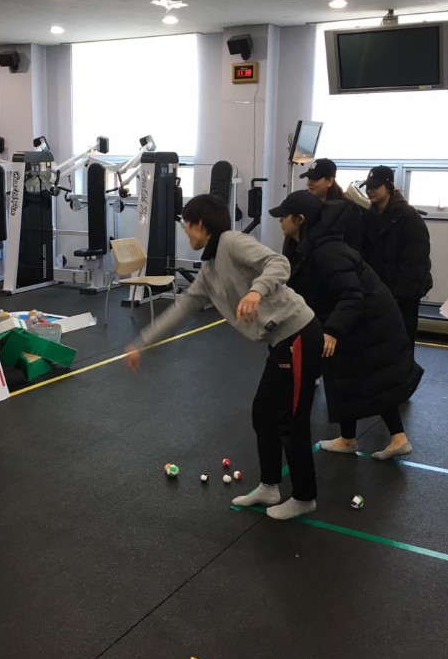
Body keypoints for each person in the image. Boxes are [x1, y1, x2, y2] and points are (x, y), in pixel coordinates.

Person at [124, 194, 324, 520]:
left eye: (187, 224)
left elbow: (279, 263)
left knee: (291, 420)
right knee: (264, 414)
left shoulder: (232, 242)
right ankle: (270, 486)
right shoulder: (209, 269)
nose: (185, 230)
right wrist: (141, 342)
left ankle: (304, 497)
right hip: (281, 342)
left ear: (201, 224)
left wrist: (256, 291)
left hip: (299, 333)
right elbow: (182, 308)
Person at [271, 191, 422, 460]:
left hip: (368, 318)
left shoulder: (327, 251)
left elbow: (351, 294)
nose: (280, 220)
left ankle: (397, 439)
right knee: (345, 374)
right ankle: (349, 439)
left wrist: (332, 330)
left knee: (367, 375)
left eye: (284, 216)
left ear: (300, 219)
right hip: (353, 316)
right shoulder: (302, 247)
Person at [360, 166, 432, 356]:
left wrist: (400, 295)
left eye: (376, 186)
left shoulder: (408, 216)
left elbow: (416, 261)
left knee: (401, 344)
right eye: (368, 186)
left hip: (403, 297)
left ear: (389, 186)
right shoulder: (369, 216)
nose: (370, 190)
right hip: (378, 293)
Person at [300, 158, 364, 251]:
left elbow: (354, 244)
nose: (309, 183)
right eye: (309, 178)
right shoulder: (305, 205)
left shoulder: (348, 209)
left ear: (330, 181)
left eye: (315, 179)